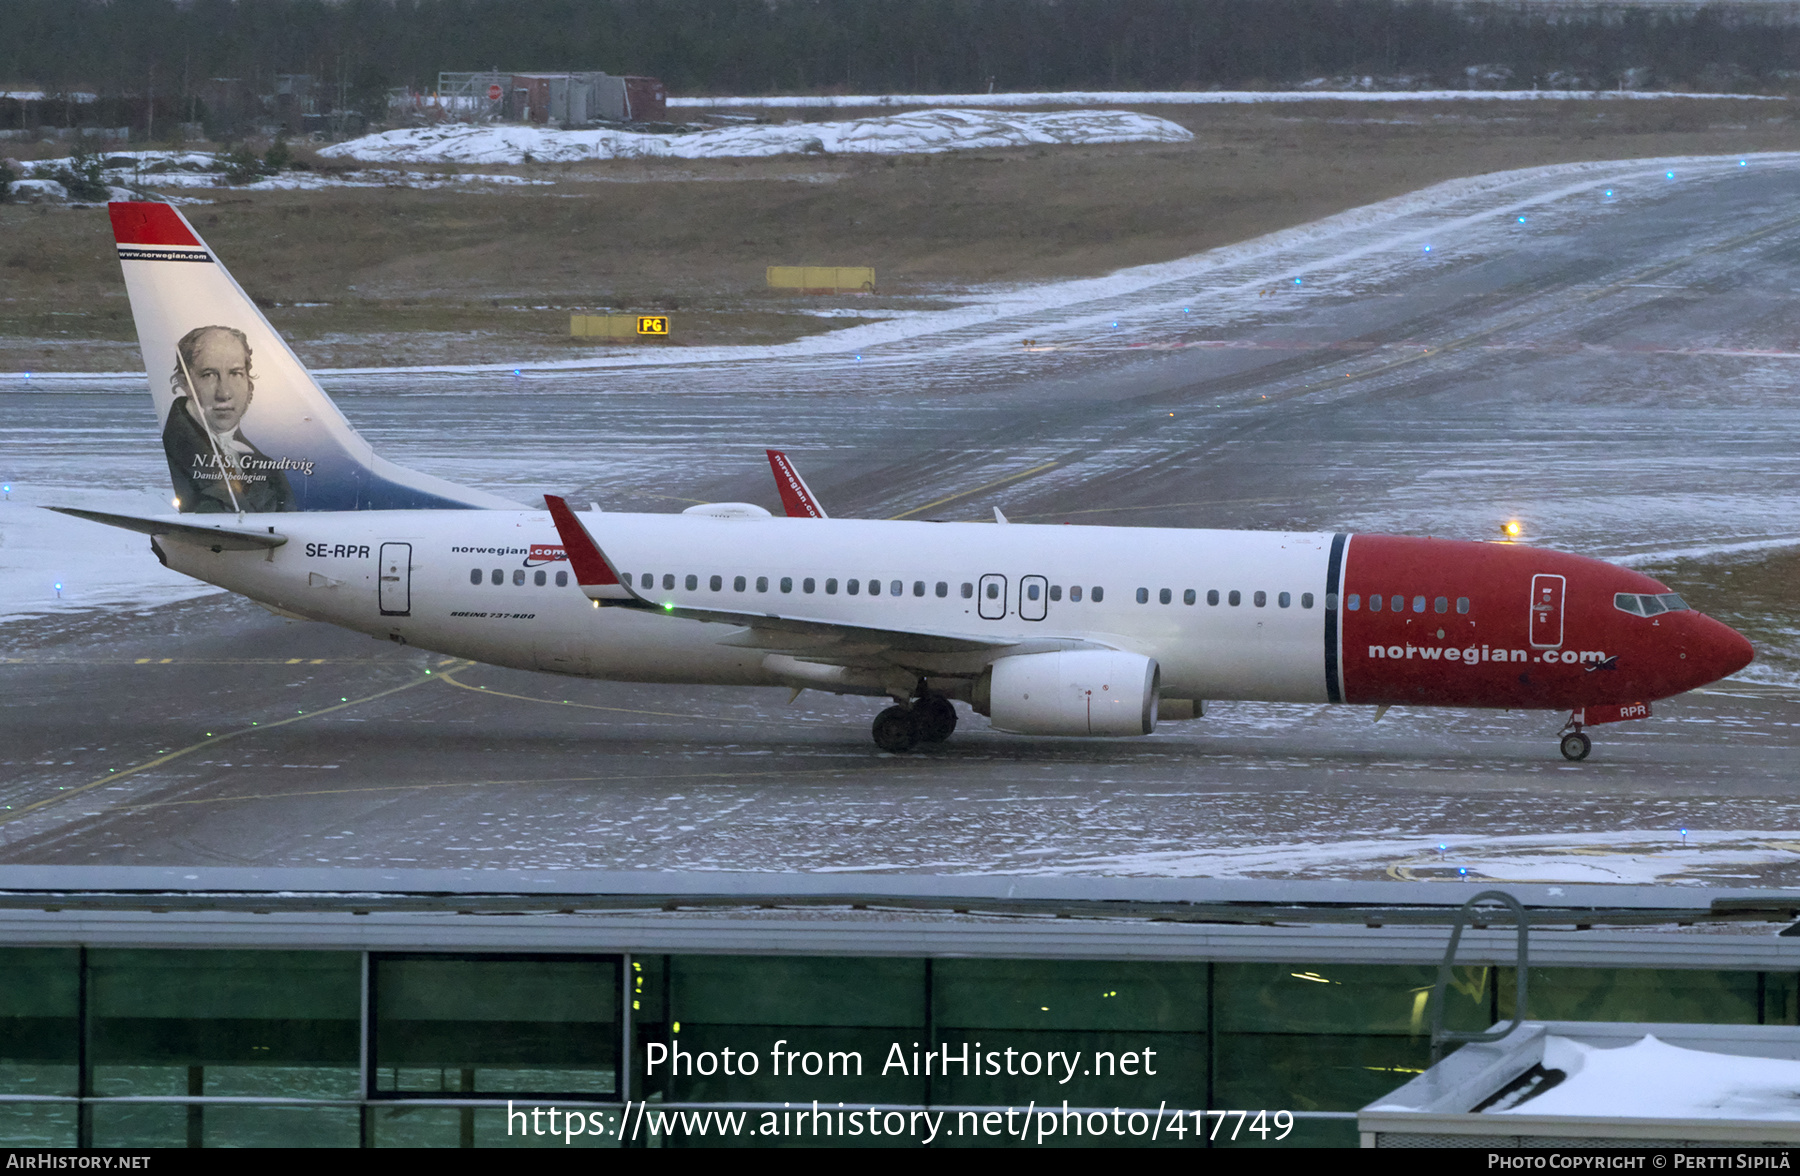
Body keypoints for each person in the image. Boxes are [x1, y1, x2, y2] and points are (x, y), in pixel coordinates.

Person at [162, 325, 296, 513]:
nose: (224, 393)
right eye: (209, 375)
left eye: (235, 374)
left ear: (249, 383)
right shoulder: (168, 457)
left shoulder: (271, 472)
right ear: (185, 383)